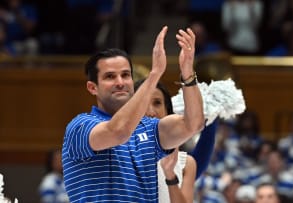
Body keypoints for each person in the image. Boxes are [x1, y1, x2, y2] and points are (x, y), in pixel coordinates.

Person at [62, 26, 204, 202]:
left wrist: (188, 73)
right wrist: (155, 74)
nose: (120, 82)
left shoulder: (150, 127)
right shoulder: (80, 126)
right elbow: (118, 132)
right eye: (110, 77)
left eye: (125, 75)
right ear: (92, 87)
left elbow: (194, 124)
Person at [134, 79, 219, 203]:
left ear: (168, 111)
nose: (150, 112)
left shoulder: (186, 163)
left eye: (157, 103)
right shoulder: (118, 153)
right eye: (142, 103)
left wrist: (170, 176)